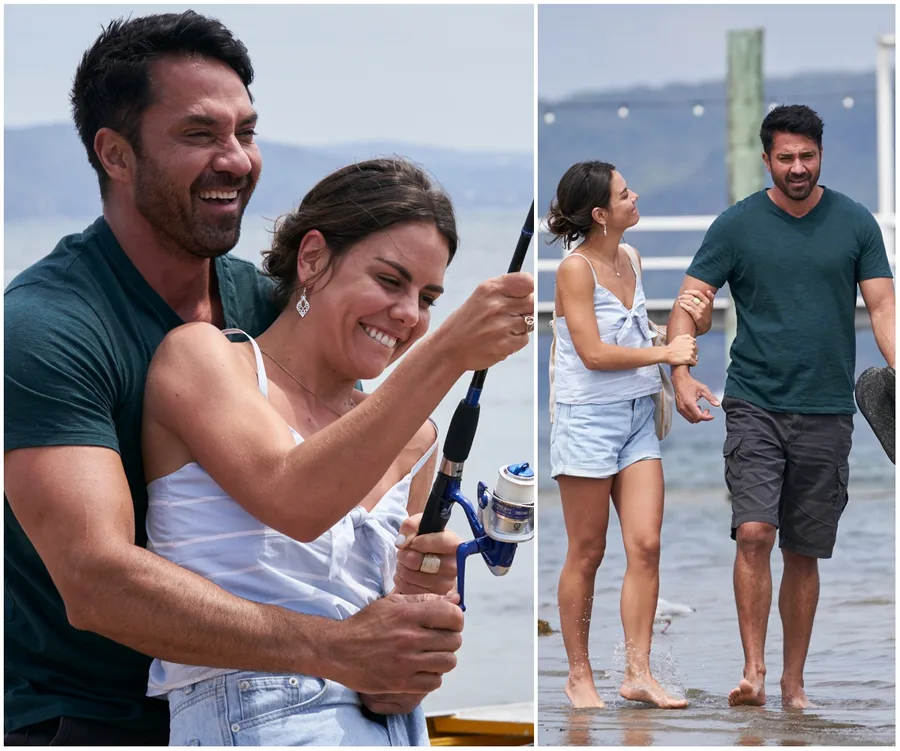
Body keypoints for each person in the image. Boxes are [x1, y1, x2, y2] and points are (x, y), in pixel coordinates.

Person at [3, 11, 534, 746]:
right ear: (115, 155)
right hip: (89, 718)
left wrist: (418, 614)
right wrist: (335, 648)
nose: (236, 160)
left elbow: (348, 533)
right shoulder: (46, 326)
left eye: (246, 133)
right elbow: (95, 581)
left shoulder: (271, 310)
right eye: (200, 134)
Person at [141, 157, 531, 746]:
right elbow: (294, 500)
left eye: (428, 298)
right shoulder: (204, 359)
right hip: (252, 717)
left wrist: (424, 619)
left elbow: (392, 689)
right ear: (313, 259)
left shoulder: (417, 440)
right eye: (390, 281)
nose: (409, 314)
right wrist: (449, 352)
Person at [667, 104, 895, 709]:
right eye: (786, 157)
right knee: (753, 532)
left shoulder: (855, 222)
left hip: (828, 408)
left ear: (821, 155)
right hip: (755, 402)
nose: (798, 167)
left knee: (804, 551)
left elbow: (883, 308)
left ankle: (794, 684)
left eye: (807, 156)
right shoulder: (736, 225)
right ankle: (754, 671)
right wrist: (680, 373)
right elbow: (690, 302)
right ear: (766, 158)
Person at [546, 161, 712, 709]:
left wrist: (686, 342)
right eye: (623, 193)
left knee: (645, 545)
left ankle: (638, 673)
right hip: (587, 422)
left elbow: (642, 336)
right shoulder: (574, 270)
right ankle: (578, 676)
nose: (634, 195)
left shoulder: (632, 258)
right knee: (587, 552)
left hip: (639, 415)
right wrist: (665, 352)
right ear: (600, 213)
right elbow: (593, 354)